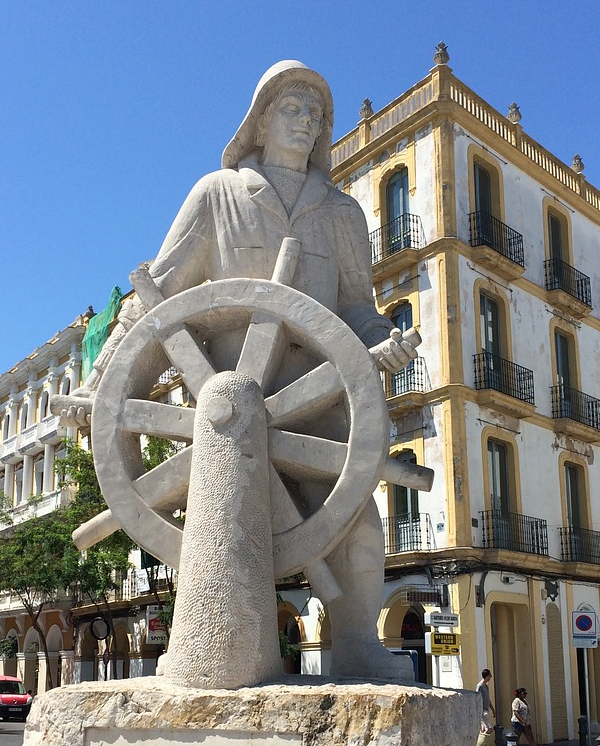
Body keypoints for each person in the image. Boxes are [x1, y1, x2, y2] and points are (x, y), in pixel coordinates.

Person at [62, 60, 418, 681]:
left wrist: (385, 342)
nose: (307, 123)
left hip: (323, 402)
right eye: (293, 109)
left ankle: (359, 642)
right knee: (214, 535)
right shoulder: (216, 194)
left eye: (317, 114)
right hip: (226, 403)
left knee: (358, 523)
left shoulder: (343, 213)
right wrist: (99, 390)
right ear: (259, 120)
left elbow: (358, 309)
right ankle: (205, 649)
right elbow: (159, 299)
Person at [476, 668, 497, 732]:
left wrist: (493, 709)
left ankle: (482, 740)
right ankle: (482, 740)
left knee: (484, 729)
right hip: (482, 710)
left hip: (486, 709)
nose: (490, 678)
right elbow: (477, 698)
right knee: (488, 729)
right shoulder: (480, 686)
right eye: (490, 676)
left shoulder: (486, 686)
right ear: (487, 676)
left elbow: (487, 699)